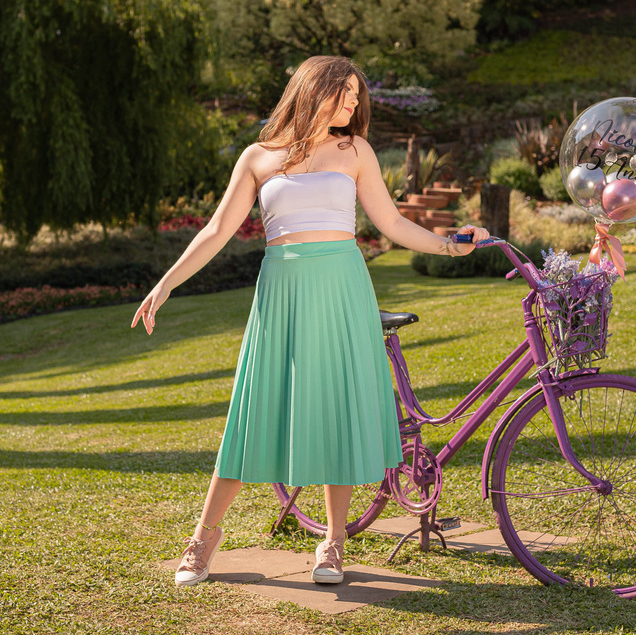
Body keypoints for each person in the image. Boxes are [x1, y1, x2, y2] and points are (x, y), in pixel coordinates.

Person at [130, 55, 486, 587]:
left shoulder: (355, 151)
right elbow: (217, 229)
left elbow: (389, 223)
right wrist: (166, 283)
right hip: (282, 293)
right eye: (342, 92)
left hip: (342, 287)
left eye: (355, 97)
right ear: (309, 90)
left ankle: (333, 544)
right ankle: (203, 540)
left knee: (336, 409)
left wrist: (448, 247)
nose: (352, 103)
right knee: (253, 410)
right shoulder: (258, 157)